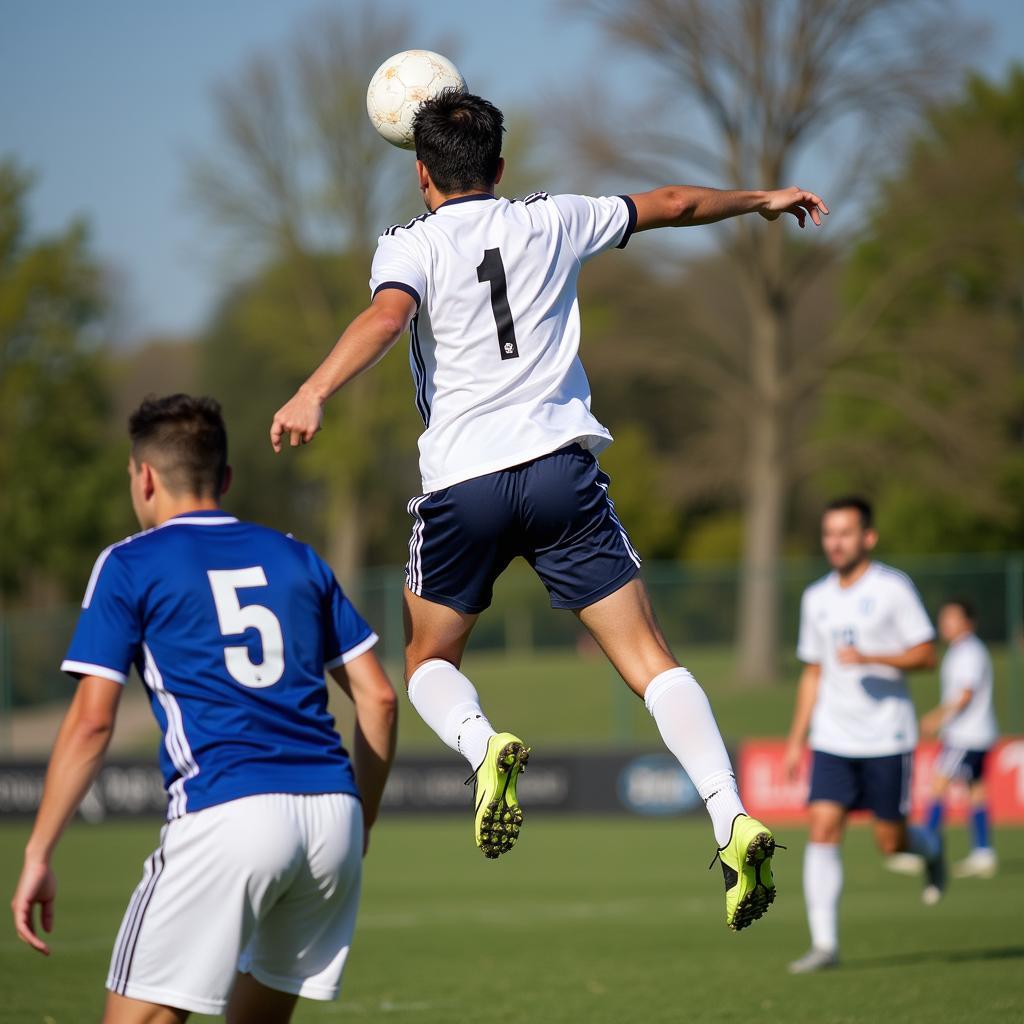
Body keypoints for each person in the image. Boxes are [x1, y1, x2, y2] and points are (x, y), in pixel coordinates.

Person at [270, 89, 827, 930]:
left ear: (421, 174)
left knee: (428, 665)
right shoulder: (556, 217)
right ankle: (729, 813)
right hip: (562, 474)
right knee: (651, 661)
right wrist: (762, 198)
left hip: (463, 485)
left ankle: (482, 743)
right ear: (500, 168)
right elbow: (673, 204)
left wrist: (313, 392)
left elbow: (387, 318)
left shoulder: (408, 242)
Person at [11, 394, 397, 1023]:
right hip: (333, 817)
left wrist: (37, 855)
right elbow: (379, 698)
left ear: (144, 477)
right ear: (225, 479)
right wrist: (362, 822)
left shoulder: (129, 562)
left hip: (227, 810)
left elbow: (91, 722)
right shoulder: (298, 555)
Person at [784, 496, 945, 975]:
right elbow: (812, 671)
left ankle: (931, 850)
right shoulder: (816, 598)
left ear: (867, 538)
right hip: (833, 737)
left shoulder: (894, 589)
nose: (835, 542)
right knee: (822, 828)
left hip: (887, 738)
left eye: (845, 533)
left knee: (889, 843)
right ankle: (824, 944)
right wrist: (796, 738)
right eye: (829, 533)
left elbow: (927, 654)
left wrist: (877, 657)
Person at [920, 598, 998, 878]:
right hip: (977, 733)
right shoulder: (962, 650)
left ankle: (924, 846)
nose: (944, 623)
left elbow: (965, 695)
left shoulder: (968, 651)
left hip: (966, 734)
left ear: (967, 622)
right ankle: (984, 852)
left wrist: (936, 717)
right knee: (976, 791)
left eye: (950, 617)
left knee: (939, 783)